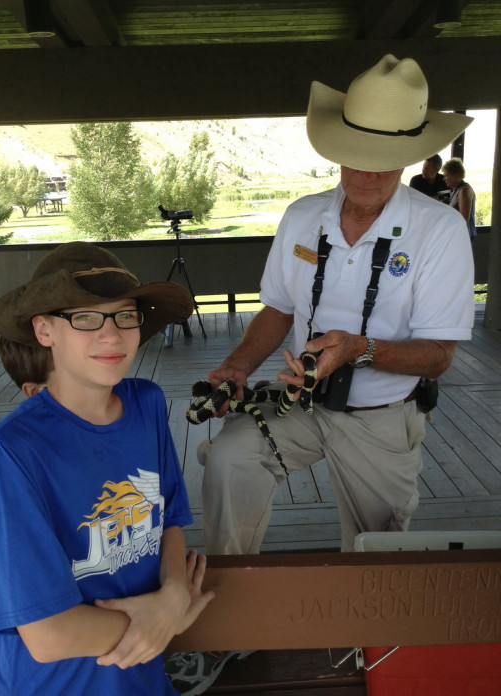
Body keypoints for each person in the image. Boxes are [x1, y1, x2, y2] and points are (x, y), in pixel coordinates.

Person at [196, 54, 475, 557]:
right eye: (355, 155)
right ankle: (228, 606)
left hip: (381, 414)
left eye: (383, 160)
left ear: (410, 157)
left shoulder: (440, 230)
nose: (366, 174)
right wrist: (236, 367)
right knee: (228, 460)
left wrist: (356, 349)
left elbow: (439, 355)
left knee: (378, 551)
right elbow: (279, 309)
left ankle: (367, 634)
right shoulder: (302, 217)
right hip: (299, 403)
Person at [0, 241, 215, 696]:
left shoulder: (147, 404)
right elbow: (49, 637)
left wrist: (173, 596)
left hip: (142, 681)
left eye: (124, 315)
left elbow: (166, 519)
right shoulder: (11, 451)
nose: (111, 335)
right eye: (84, 317)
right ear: (44, 330)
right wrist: (162, 622)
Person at [442, 157, 477, 242]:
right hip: (458, 234)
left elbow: (463, 219)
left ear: (456, 175)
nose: (444, 179)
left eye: (446, 175)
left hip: (464, 235)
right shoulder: (454, 190)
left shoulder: (464, 190)